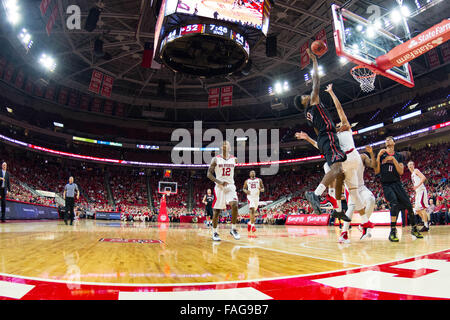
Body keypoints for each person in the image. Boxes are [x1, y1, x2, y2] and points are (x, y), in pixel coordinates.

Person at [293, 49, 349, 222]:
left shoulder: (309, 115)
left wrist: (334, 130)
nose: (306, 95)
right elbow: (316, 81)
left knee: (340, 174)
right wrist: (314, 61)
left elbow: (320, 132)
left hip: (325, 140)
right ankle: (315, 194)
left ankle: (338, 207)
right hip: (328, 139)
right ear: (304, 103)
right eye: (304, 96)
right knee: (338, 169)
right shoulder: (313, 102)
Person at [374, 137, 423, 242]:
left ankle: (414, 228)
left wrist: (393, 159)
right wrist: (378, 156)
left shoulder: (398, 156)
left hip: (397, 183)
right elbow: (377, 171)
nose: (387, 140)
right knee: (394, 204)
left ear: (394, 142)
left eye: (390, 139)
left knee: (409, 205)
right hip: (386, 184)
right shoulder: (382, 154)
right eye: (386, 139)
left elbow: (401, 172)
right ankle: (392, 231)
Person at [207, 141, 240, 241]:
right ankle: (215, 232)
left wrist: (229, 180)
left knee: (235, 204)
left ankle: (233, 229)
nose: (226, 145)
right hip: (219, 187)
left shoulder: (234, 159)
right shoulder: (216, 159)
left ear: (230, 148)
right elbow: (209, 174)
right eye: (224, 144)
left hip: (230, 185)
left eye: (228, 144)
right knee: (217, 211)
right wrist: (219, 181)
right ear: (221, 147)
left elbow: (235, 172)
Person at [407, 161, 430, 231]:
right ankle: (426, 221)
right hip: (418, 192)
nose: (410, 166)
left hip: (421, 190)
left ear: (413, 165)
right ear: (408, 167)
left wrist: (417, 185)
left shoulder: (416, 170)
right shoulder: (412, 175)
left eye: (411, 164)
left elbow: (423, 177)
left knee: (422, 208)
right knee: (417, 210)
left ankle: (426, 225)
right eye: (409, 165)